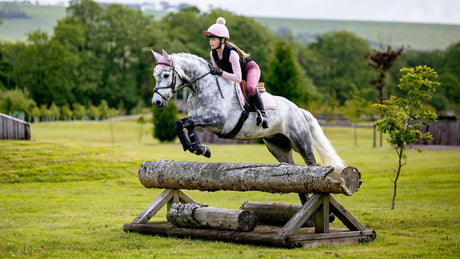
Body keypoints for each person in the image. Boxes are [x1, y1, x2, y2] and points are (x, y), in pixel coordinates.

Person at [203, 17, 268, 128]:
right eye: (210, 39)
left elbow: (237, 78)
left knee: (251, 87)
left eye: (214, 39)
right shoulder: (212, 54)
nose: (211, 42)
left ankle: (263, 114)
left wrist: (220, 72)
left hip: (250, 69)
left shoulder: (232, 53)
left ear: (222, 40)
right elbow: (219, 76)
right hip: (236, 74)